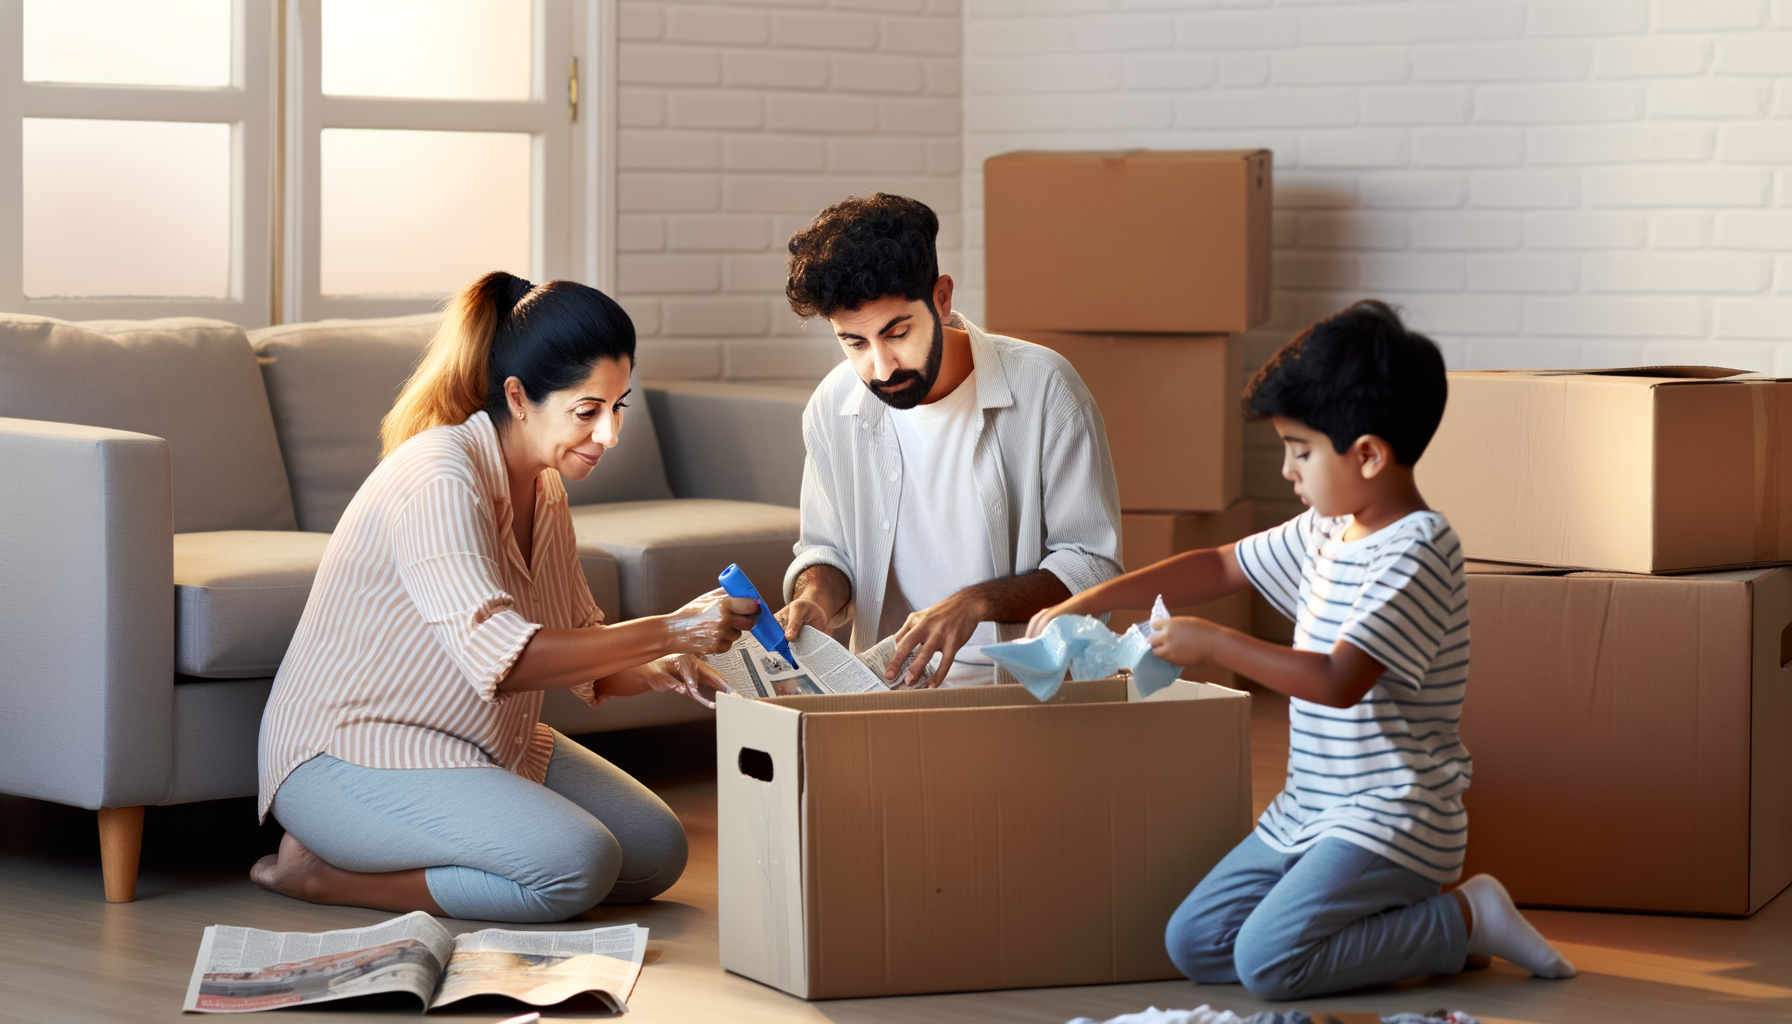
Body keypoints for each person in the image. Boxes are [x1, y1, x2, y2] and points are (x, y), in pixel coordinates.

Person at [1027, 301, 1576, 999]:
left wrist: (1213, 640)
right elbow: (1221, 565)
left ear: (1369, 454)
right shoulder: (1327, 527)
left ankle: (1465, 919)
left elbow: (1340, 679)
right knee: (1196, 943)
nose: (1287, 469)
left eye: (1301, 450)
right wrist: (1090, 599)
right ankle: (1421, 928)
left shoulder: (1419, 549)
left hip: (1391, 817)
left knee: (1268, 964)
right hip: (1309, 808)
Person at [250, 272, 758, 923]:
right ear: (518, 397)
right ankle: (319, 874)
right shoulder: (438, 474)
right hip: (349, 756)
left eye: (618, 405)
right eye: (587, 411)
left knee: (656, 854)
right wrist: (671, 629)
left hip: (478, 745)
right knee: (577, 867)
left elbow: (586, 651)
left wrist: (667, 665)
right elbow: (510, 660)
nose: (610, 434)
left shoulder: (544, 493)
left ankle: (462, 848)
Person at [775, 193, 1122, 687]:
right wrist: (815, 597)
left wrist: (975, 603)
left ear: (941, 298)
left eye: (896, 333)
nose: (880, 366)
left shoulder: (1048, 388)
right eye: (854, 342)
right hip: (894, 690)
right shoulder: (834, 406)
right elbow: (829, 551)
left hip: (1030, 692)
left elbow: (1094, 566)